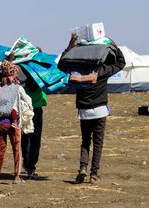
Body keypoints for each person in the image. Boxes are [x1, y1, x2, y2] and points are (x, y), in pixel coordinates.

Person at [57, 34, 126, 183]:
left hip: (84, 111)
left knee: (85, 141)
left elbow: (61, 65)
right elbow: (121, 63)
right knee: (98, 142)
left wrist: (69, 47)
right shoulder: (102, 70)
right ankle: (94, 174)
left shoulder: (76, 71)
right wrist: (115, 46)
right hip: (100, 109)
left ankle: (83, 167)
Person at [0, 60, 33, 187]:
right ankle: (17, 176)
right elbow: (28, 100)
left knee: (1, 150)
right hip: (13, 123)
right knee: (17, 149)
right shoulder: (18, 88)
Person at [20, 62, 48, 180]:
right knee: (35, 138)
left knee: (25, 136)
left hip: (24, 108)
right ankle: (31, 167)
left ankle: (27, 164)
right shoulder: (39, 75)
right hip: (36, 107)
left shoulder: (21, 73)